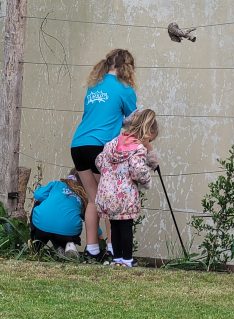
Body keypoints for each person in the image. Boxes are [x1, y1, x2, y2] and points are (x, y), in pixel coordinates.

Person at [71, 49, 137, 260]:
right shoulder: (125, 89)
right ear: (127, 67)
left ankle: (91, 250)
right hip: (100, 147)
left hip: (78, 144)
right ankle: (112, 249)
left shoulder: (93, 87)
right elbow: (135, 122)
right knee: (110, 198)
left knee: (93, 199)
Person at [95, 109, 159, 267]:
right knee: (126, 227)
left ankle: (117, 258)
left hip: (107, 194)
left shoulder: (113, 143)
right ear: (149, 133)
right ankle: (127, 259)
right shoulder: (137, 148)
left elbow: (99, 161)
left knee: (115, 225)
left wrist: (110, 174)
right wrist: (147, 181)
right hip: (125, 195)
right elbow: (137, 170)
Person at [30, 169, 87, 258]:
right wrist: (99, 235)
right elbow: (88, 218)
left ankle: (36, 248)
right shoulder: (83, 195)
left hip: (42, 227)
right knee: (69, 217)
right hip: (68, 233)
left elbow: (38, 195)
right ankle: (67, 245)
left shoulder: (57, 184)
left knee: (39, 203)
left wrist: (50, 198)